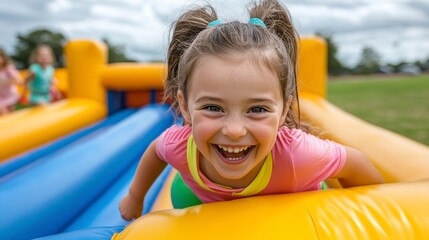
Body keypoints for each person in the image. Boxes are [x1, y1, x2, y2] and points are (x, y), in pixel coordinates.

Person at [119, 0, 384, 221]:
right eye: (213, 108)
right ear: (185, 107)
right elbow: (157, 151)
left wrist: (370, 213)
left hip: (293, 200)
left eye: (257, 109)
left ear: (283, 111)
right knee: (181, 195)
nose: (234, 131)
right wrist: (135, 197)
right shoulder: (179, 147)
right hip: (200, 196)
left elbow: (355, 163)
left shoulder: (299, 156)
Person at [0, 48, 23, 115]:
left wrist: (7, 81)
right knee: (3, 113)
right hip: (0, 96)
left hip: (10, 94)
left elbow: (19, 80)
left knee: (11, 114)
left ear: (3, 58)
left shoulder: (8, 68)